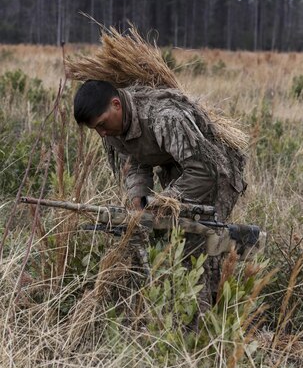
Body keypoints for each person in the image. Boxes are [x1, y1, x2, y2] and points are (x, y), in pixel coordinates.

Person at [74, 79, 247, 309]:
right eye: (95, 128)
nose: (101, 133)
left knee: (195, 250)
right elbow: (134, 164)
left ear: (116, 104)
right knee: (170, 242)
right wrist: (139, 203)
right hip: (178, 171)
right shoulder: (111, 129)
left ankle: (201, 323)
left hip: (216, 172)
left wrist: (163, 201)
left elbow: (205, 172)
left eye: (102, 124)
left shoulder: (163, 118)